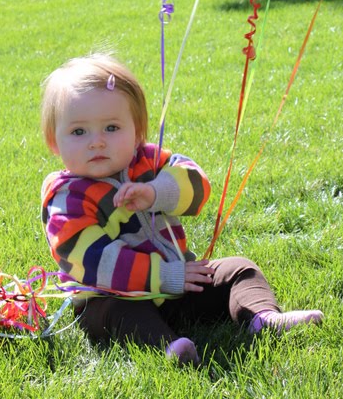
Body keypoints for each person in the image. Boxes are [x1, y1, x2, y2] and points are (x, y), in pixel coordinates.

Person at [40, 52, 323, 365]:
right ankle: (169, 347)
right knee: (119, 314)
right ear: (54, 142)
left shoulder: (148, 162)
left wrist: (155, 192)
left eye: (111, 127)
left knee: (238, 268)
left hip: (178, 285)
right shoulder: (67, 198)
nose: (97, 142)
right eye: (79, 132)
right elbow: (94, 262)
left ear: (138, 132)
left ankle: (262, 317)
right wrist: (164, 275)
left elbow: (198, 186)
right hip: (112, 296)